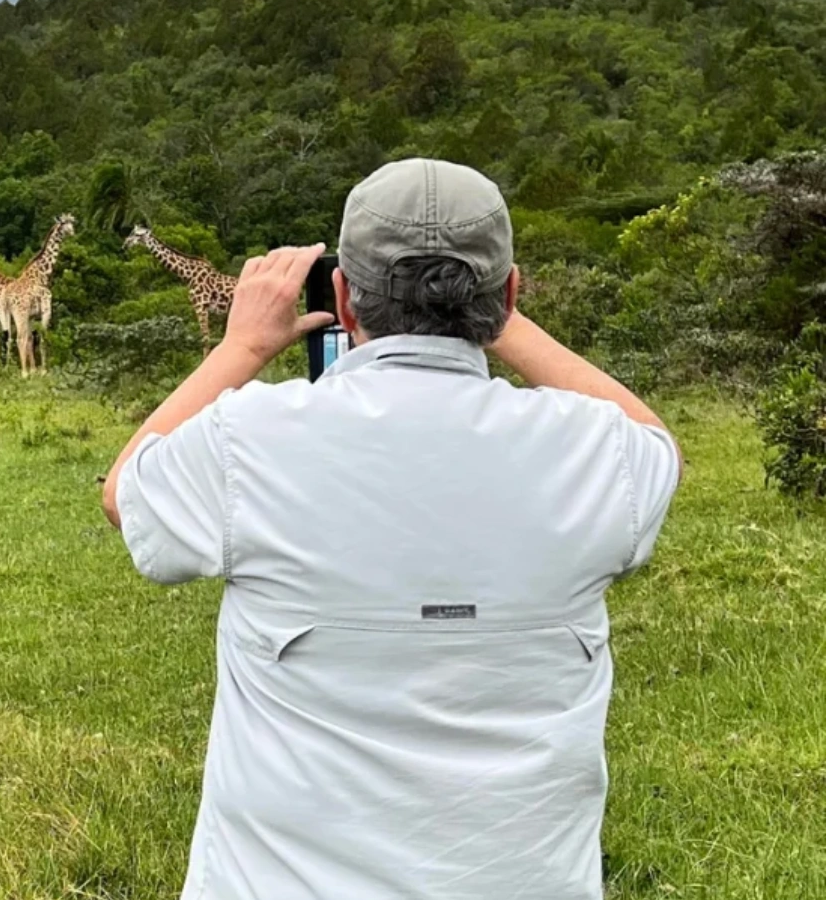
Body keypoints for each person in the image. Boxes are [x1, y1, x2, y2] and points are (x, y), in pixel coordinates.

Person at [102, 158, 682, 900]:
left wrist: (240, 347)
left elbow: (126, 492)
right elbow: (655, 443)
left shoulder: (254, 439)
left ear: (343, 297)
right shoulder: (595, 451)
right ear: (508, 294)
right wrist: (499, 322)